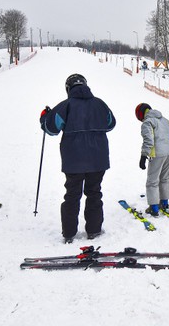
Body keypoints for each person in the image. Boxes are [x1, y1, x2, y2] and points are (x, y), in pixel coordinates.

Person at [41, 74, 116, 243]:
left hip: (73, 161)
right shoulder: (100, 104)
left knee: (72, 195)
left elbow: (51, 129)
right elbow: (110, 124)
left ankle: (69, 234)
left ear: (68, 88)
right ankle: (94, 230)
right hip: (98, 160)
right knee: (94, 193)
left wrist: (45, 117)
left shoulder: (65, 106)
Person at [136, 103, 169, 216]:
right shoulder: (164, 120)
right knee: (164, 178)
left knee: (152, 181)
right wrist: (168, 145)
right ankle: (164, 203)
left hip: (157, 155)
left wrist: (144, 155)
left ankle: (154, 207)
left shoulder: (148, 122)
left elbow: (149, 140)